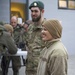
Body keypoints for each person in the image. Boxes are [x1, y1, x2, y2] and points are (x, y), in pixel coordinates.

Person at [25, 1, 46, 75]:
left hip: (41, 70)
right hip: (29, 69)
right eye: (32, 11)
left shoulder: (47, 28)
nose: (33, 14)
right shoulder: (30, 27)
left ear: (42, 11)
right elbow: (28, 45)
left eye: (36, 11)